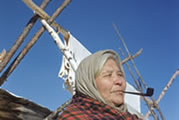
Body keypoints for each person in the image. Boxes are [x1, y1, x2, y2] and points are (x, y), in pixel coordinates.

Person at [58, 49, 143, 120]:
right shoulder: (75, 117)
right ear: (89, 83)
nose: (119, 81)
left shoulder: (131, 117)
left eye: (120, 75)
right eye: (108, 75)